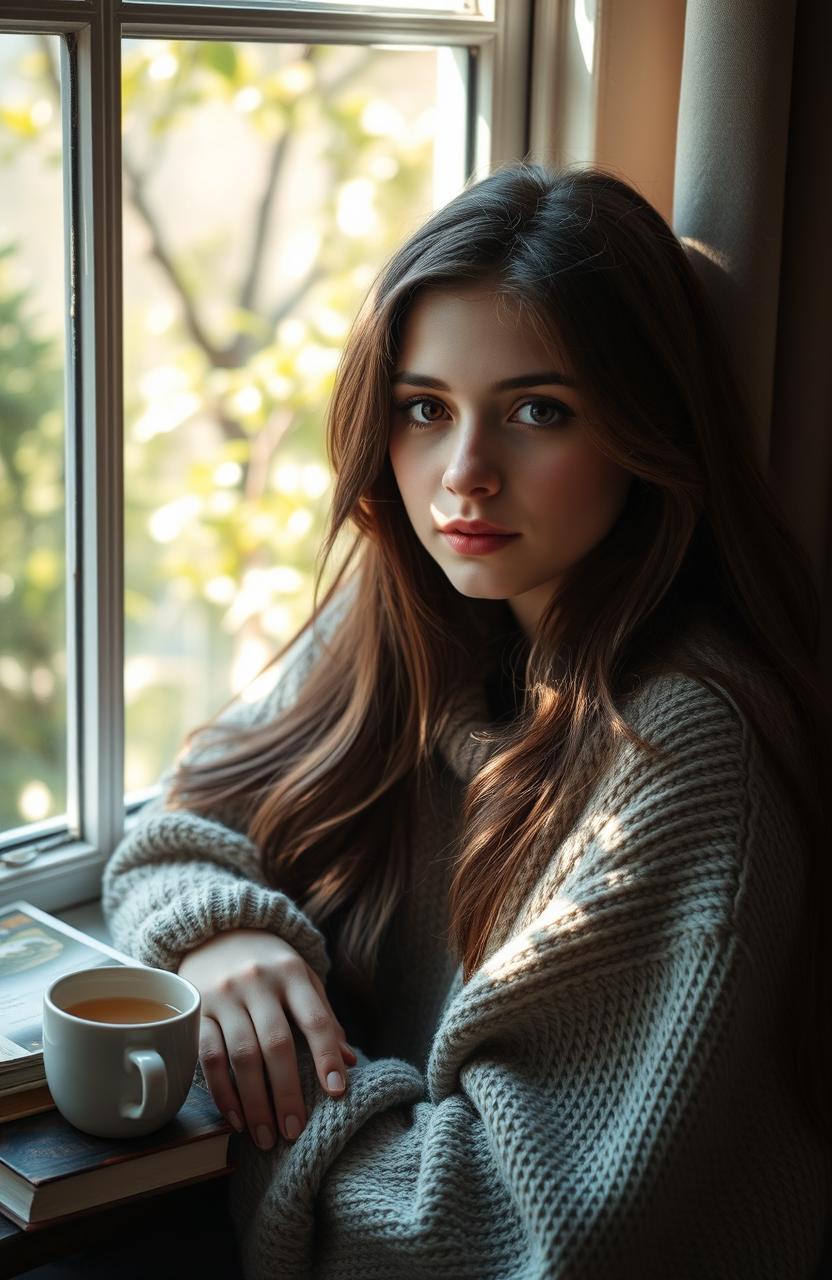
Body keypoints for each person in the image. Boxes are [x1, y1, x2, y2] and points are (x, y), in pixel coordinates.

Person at [102, 161, 832, 1279]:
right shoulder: (406, 610)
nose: (464, 474)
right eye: (423, 410)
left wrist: (253, 1099)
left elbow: (500, 1233)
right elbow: (177, 823)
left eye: (539, 410)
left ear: (649, 432)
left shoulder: (683, 745)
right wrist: (220, 934)